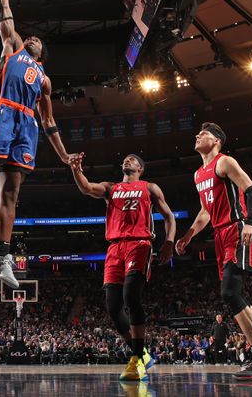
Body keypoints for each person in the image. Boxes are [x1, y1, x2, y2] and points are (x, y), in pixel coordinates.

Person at [0, 0, 81, 287]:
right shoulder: (13, 47)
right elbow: (5, 18)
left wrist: (65, 156)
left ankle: (2, 257)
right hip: (4, 111)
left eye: (39, 40)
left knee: (11, 192)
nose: (34, 38)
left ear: (42, 54)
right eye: (32, 37)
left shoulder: (45, 80)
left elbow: (49, 121)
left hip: (27, 125)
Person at [176, 122, 252, 380]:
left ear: (217, 141)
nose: (199, 135)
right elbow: (205, 212)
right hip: (220, 235)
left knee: (230, 293)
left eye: (205, 134)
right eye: (199, 133)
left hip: (238, 228)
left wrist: (251, 224)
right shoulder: (198, 174)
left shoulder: (225, 162)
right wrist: (188, 235)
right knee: (236, 295)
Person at [69, 153, 176, 381]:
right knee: (112, 306)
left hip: (139, 243)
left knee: (131, 296)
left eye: (132, 159)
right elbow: (87, 188)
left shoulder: (149, 188)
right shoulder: (111, 188)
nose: (127, 160)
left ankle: (136, 359)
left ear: (140, 168)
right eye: (125, 159)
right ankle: (142, 354)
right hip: (114, 247)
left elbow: (169, 216)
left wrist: (168, 242)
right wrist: (76, 170)